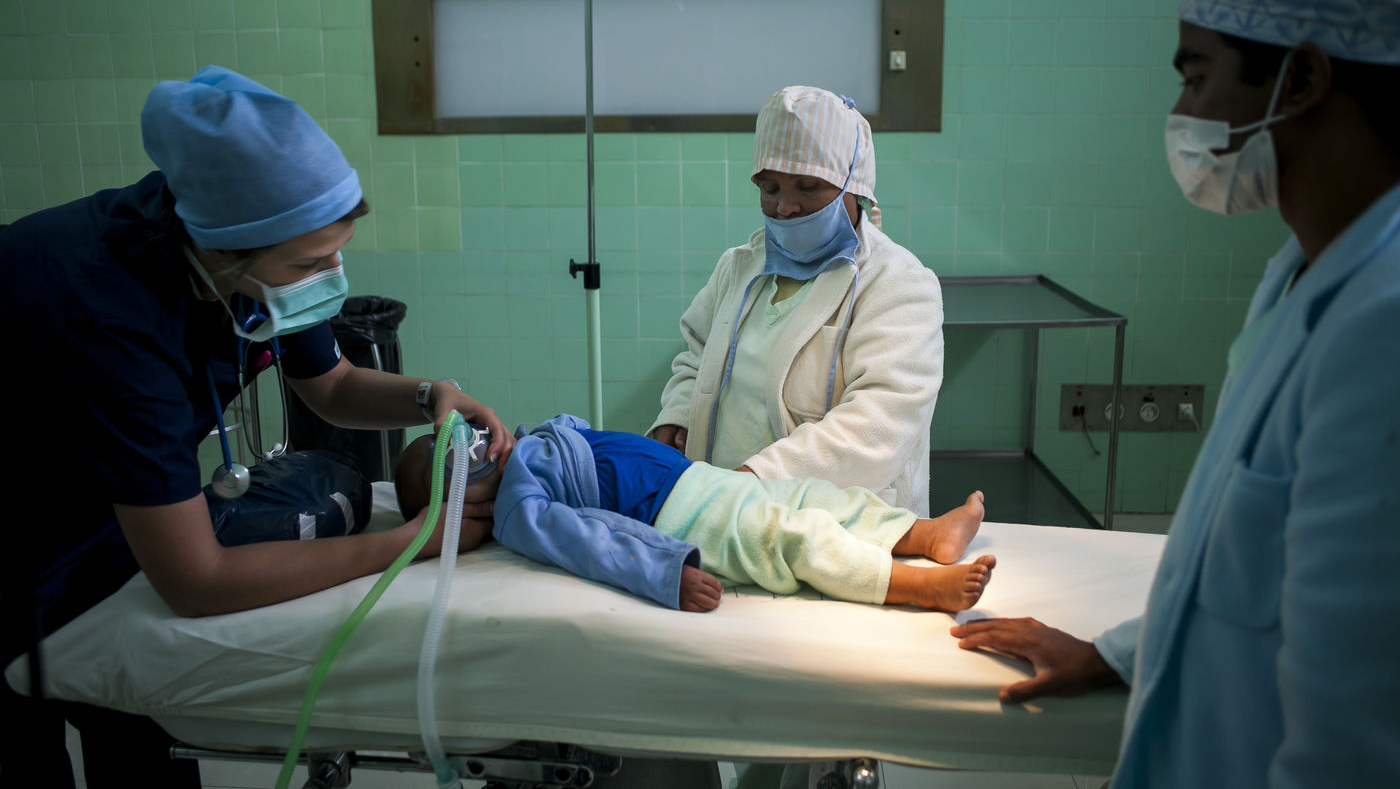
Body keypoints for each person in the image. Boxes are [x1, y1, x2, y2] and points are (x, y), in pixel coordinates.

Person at [950, 0, 1400, 787]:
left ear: (1302, 79)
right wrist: (1118, 652)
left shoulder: (1381, 328)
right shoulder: (1301, 274)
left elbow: (1358, 728)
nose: (1181, 113)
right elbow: (1241, 557)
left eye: (1196, 79)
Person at [0, 66, 512, 788]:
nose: (331, 273)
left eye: (338, 251)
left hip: (103, 511)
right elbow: (196, 580)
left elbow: (332, 386)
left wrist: (432, 395)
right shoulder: (103, 311)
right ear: (222, 252)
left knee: (139, 723)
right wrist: (408, 544)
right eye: (310, 262)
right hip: (26, 524)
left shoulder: (244, 256)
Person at [648, 86, 943, 516]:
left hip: (837, 522)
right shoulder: (739, 267)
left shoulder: (898, 284)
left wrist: (756, 479)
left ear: (854, 185)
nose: (785, 207)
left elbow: (879, 425)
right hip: (728, 513)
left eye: (808, 186)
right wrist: (678, 415)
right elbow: (697, 356)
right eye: (770, 188)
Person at [394, 416, 994, 613]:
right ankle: (917, 587)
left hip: (696, 479)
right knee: (791, 536)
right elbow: (591, 544)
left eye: (464, 435)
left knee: (814, 496)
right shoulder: (518, 509)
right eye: (453, 459)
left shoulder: (528, 446)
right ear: (456, 505)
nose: (473, 446)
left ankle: (924, 534)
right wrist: (665, 573)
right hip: (679, 516)